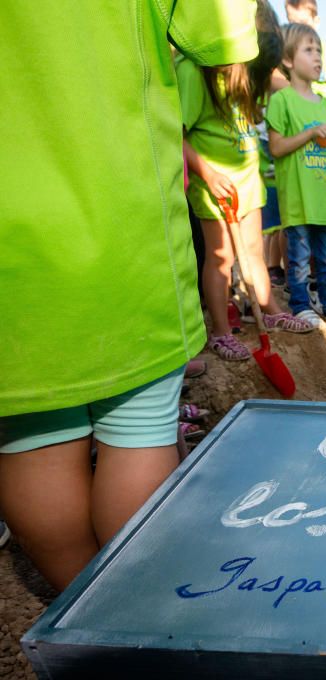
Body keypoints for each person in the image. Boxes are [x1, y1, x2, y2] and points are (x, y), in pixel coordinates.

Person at [0, 0, 261, 592]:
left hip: (11, 227)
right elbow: (220, 34)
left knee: (35, 432)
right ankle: (125, 609)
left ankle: (76, 601)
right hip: (118, 203)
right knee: (140, 424)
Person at [181, 7, 313, 362]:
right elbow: (176, 135)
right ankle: (221, 332)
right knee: (220, 257)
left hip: (246, 175)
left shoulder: (246, 75)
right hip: (215, 180)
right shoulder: (196, 73)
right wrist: (207, 174)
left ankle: (270, 309)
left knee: (254, 249)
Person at [266, 23, 326, 328]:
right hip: (299, 201)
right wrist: (308, 134)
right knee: (300, 261)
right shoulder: (282, 101)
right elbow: (277, 148)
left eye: (319, 50)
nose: (317, 57)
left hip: (325, 199)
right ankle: (300, 305)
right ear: (289, 60)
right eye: (309, 50)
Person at [284, 0, 326, 95]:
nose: (297, 29)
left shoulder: (323, 49)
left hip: (322, 101)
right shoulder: (286, 48)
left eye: (302, 23)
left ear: (316, 22)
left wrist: (317, 74)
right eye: (292, 22)